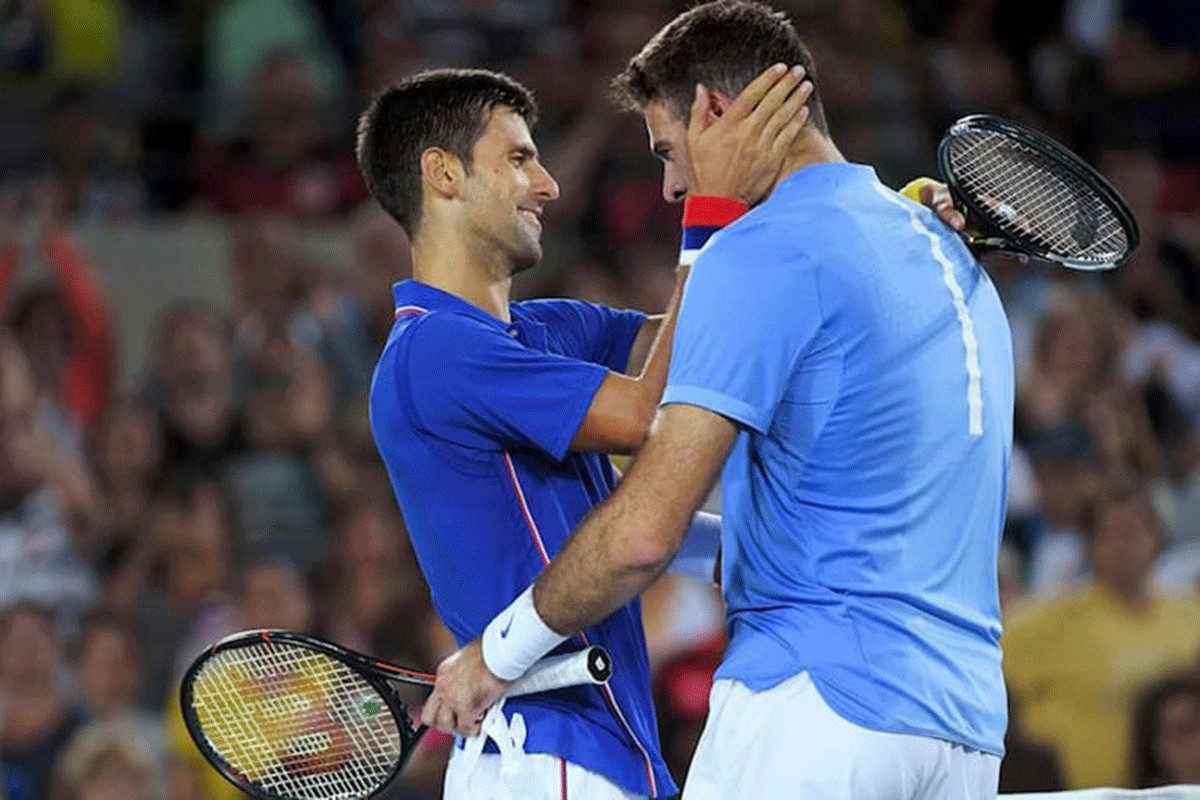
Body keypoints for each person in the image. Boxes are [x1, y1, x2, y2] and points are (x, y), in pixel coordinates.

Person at [426, 4, 1015, 800]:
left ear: (714, 111)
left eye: (670, 151)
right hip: (966, 735)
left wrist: (494, 656)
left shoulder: (759, 251)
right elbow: (825, 521)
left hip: (818, 709)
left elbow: (643, 532)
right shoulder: (939, 242)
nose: (671, 185)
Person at [358, 63, 815, 800]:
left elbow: (720, 338)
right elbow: (649, 413)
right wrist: (711, 211)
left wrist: (881, 232)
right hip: (548, 757)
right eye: (517, 158)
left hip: (587, 753)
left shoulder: (539, 331)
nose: (549, 184)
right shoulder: (435, 352)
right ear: (441, 175)